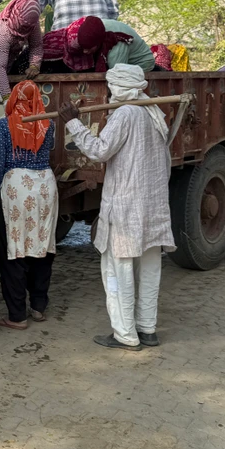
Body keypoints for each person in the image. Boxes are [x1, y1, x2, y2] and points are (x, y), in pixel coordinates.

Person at [58, 64, 174, 351]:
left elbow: (99, 151)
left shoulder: (126, 113)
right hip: (152, 207)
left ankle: (125, 334)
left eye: (111, 87)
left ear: (120, 88)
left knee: (117, 268)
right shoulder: (153, 113)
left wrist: (73, 122)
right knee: (149, 267)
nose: (109, 92)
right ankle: (147, 329)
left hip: (125, 207)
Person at [0, 80, 58, 329]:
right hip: (45, 187)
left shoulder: (3, 126)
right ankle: (39, 307)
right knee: (42, 247)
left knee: (15, 251)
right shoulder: (47, 124)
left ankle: (17, 315)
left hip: (16, 187)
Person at [41, 15, 155, 74]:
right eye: (83, 48)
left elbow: (118, 76)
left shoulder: (115, 44)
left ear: (98, 43)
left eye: (88, 48)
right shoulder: (94, 29)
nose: (85, 52)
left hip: (141, 65)